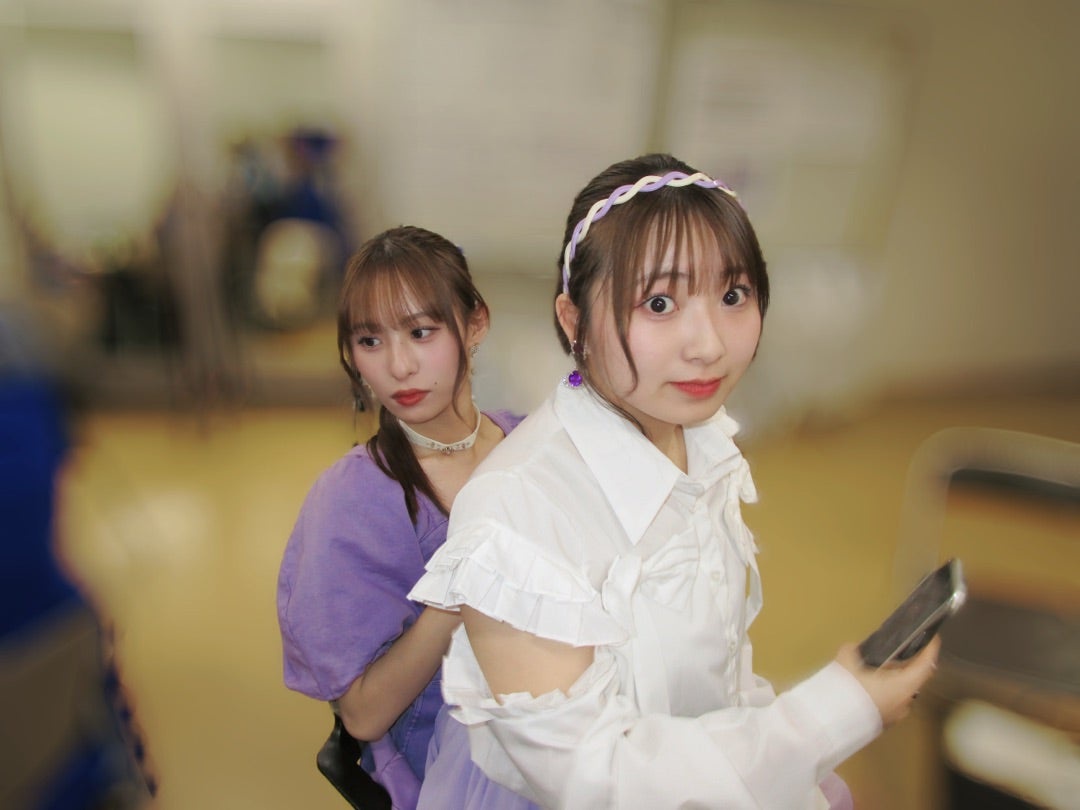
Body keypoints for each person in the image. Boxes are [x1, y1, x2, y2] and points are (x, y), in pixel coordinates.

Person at [408, 154, 940, 809]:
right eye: (659, 303)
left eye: (733, 296)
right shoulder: (515, 515)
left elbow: (715, 674)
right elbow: (594, 778)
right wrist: (832, 714)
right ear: (573, 322)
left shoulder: (700, 439)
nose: (709, 344)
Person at [276, 226, 523, 808]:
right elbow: (363, 715)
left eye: (420, 332)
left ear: (476, 323)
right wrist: (457, 595)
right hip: (451, 773)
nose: (399, 365)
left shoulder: (526, 440)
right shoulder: (354, 498)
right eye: (370, 340)